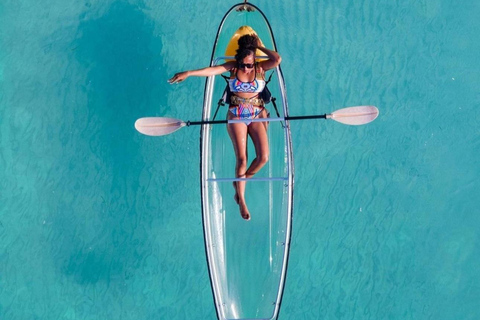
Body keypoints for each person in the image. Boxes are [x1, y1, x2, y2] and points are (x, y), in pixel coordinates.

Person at [169, 34, 282, 220]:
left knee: (263, 158)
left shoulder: (261, 67)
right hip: (236, 114)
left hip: (255, 114)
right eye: (244, 64)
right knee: (242, 159)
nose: (246, 68)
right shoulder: (232, 67)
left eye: (250, 64)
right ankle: (242, 199)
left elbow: (277, 59)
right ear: (239, 60)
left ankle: (240, 182)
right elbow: (210, 71)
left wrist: (257, 48)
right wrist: (188, 73)